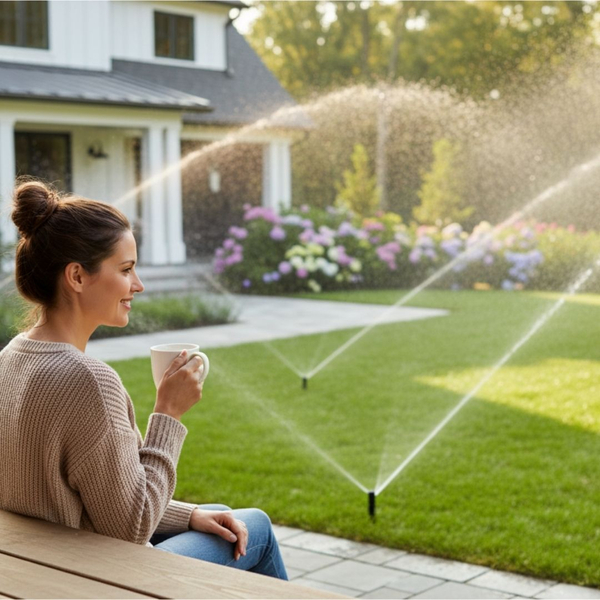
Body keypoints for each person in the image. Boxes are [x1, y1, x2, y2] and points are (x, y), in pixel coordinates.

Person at [0, 180, 288, 580]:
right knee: (254, 526)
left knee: (221, 518)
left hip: (38, 572)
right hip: (95, 580)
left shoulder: (11, 357)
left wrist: (188, 515)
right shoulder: (88, 380)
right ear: (77, 277)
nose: (138, 285)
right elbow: (131, 527)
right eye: (126, 269)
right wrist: (168, 413)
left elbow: (104, 494)